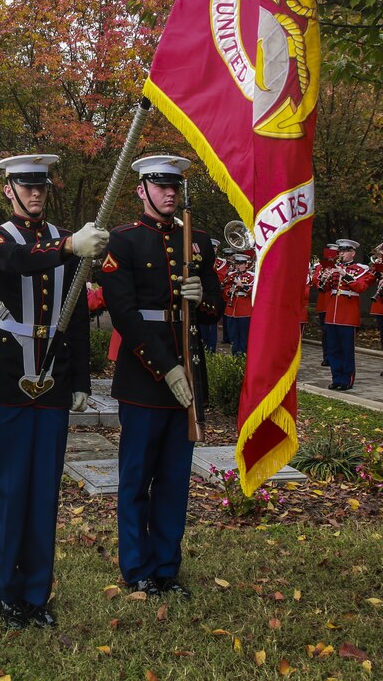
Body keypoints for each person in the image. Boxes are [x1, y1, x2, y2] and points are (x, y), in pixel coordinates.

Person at [0, 154, 108, 629]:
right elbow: (16, 263)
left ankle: (36, 592)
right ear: (7, 189)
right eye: (25, 186)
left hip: (52, 381)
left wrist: (80, 382)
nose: (34, 194)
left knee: (44, 490)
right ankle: (7, 592)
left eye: (41, 187)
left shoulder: (66, 242)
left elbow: (73, 314)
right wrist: (72, 245)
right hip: (9, 378)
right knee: (10, 490)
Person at [100, 155, 223, 599]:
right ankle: (137, 569)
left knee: (174, 479)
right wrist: (165, 367)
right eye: (160, 184)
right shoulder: (123, 241)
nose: (169, 192)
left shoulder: (199, 240)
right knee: (136, 477)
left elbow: (216, 306)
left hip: (189, 370)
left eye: (175, 185)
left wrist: (202, 296)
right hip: (144, 375)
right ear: (141, 190)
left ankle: (167, 568)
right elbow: (124, 314)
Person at [318, 239, 375, 390]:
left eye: (344, 251)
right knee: (332, 348)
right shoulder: (335, 268)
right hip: (332, 315)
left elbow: (361, 287)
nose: (341, 254)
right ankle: (336, 378)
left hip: (348, 316)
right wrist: (325, 277)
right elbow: (323, 289)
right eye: (340, 251)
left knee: (346, 350)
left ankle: (346, 380)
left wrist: (345, 274)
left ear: (353, 253)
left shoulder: (360, 270)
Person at [222, 254, 254, 357]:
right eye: (237, 263)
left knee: (243, 335)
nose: (238, 266)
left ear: (246, 264)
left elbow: (254, 292)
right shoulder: (231, 275)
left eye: (241, 264)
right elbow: (225, 290)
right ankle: (235, 354)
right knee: (233, 335)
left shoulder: (251, 276)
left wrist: (243, 286)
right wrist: (229, 291)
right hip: (231, 310)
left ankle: (243, 354)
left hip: (244, 310)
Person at [313, 244, 338, 366]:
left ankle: (335, 355)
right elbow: (315, 281)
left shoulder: (340, 267)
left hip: (336, 303)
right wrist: (322, 278)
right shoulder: (320, 267)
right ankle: (327, 356)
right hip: (323, 303)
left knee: (335, 331)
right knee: (325, 331)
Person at [199, 238, 222, 352]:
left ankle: (212, 347)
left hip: (214, 293)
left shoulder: (221, 263)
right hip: (202, 292)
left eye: (214, 247)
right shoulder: (201, 260)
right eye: (211, 247)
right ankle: (205, 346)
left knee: (213, 325)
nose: (213, 249)